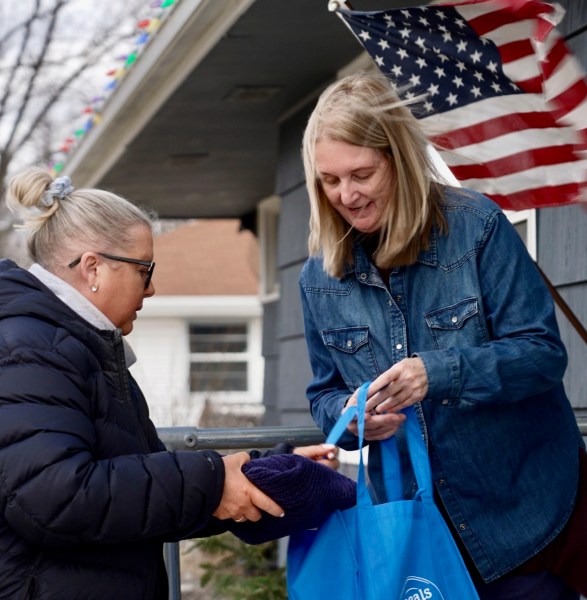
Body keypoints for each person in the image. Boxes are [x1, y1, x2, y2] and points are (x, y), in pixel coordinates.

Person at [299, 72, 587, 600]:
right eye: (329, 180)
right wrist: (353, 418)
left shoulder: (477, 226)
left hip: (523, 519)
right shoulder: (318, 276)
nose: (346, 195)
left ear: (397, 159)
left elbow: (542, 355)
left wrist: (436, 372)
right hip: (413, 537)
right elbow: (324, 396)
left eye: (361, 174)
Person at [0, 166, 338, 600]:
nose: (152, 288)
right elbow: (56, 497)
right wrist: (215, 481)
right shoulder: (29, 348)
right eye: (145, 269)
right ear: (93, 269)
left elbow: (144, 494)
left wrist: (263, 471)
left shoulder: (80, 349)